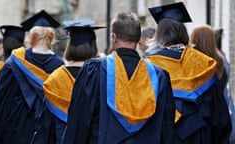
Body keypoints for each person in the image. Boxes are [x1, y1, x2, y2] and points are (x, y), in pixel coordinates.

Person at [62, 12, 175, 144]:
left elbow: (79, 122)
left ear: (114, 37)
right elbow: (167, 129)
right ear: (139, 40)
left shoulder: (95, 71)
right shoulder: (158, 76)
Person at [146, 2, 231, 144]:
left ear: (160, 34)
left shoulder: (149, 65)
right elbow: (221, 120)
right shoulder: (204, 63)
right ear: (183, 31)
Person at [0, 10, 64, 144]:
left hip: (17, 128)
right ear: (51, 37)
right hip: (47, 128)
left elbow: (3, 99)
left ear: (31, 36)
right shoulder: (60, 66)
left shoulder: (16, 60)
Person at [43, 18, 104, 144]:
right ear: (93, 46)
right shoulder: (102, 74)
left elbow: (46, 125)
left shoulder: (56, 78)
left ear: (69, 46)